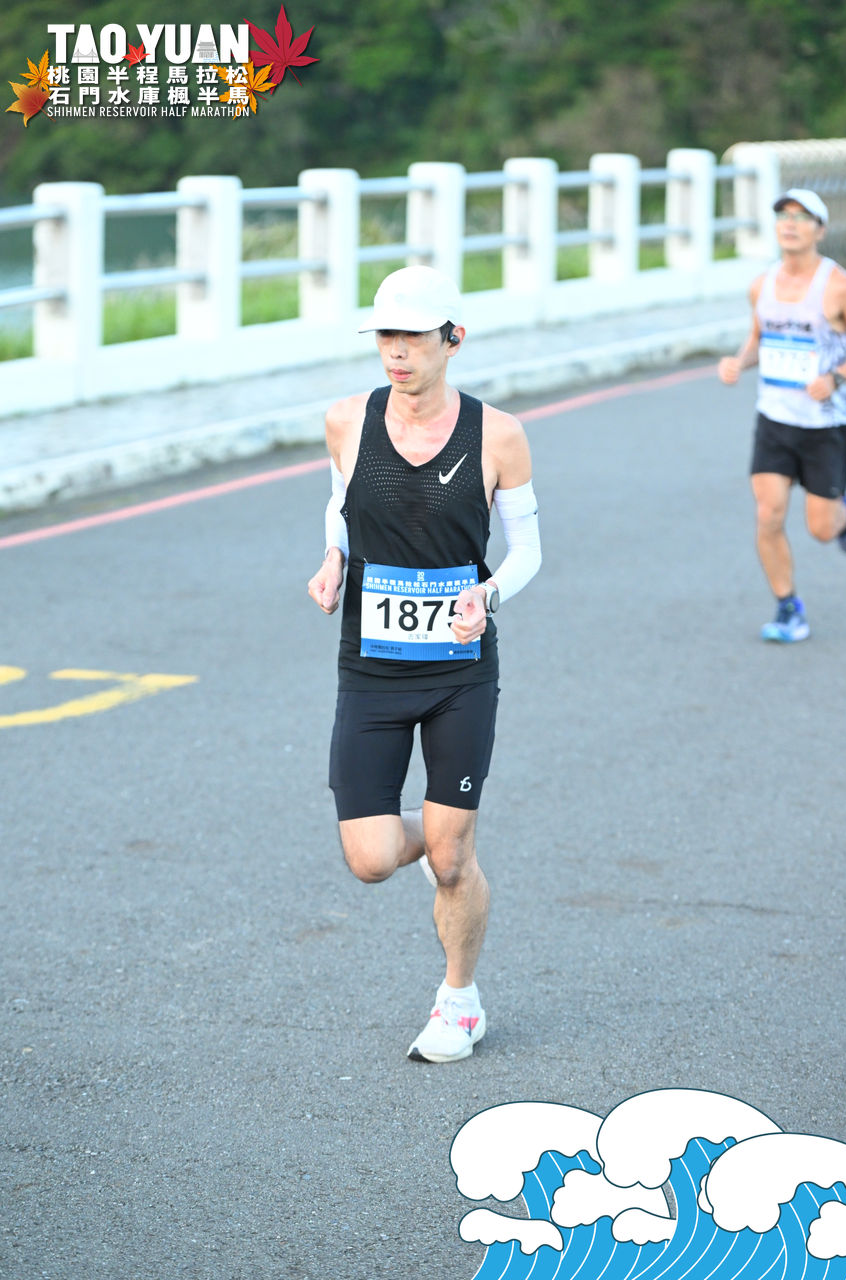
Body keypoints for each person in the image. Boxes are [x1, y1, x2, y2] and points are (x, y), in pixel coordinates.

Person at [307, 265, 541, 1062]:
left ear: (453, 339)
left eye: (412, 336)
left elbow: (528, 550)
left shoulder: (498, 434)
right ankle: (442, 838)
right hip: (370, 666)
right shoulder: (346, 420)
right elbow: (340, 505)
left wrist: (489, 593)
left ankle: (459, 1001)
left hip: (458, 669)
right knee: (371, 859)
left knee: (450, 860)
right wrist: (333, 558)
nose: (396, 352)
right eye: (385, 336)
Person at [718, 188, 846, 642]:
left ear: (821, 230)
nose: (790, 224)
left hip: (825, 424)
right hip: (774, 420)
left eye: (801, 217)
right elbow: (759, 339)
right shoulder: (762, 284)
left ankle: (845, 516)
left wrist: (835, 378)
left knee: (822, 529)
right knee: (768, 514)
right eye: (783, 216)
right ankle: (788, 607)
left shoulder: (839, 286)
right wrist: (739, 361)